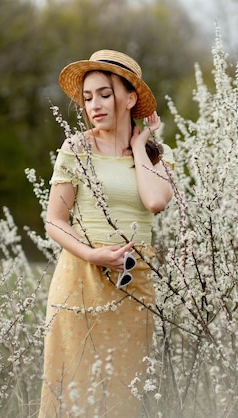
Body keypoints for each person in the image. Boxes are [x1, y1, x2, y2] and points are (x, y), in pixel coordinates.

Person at [39, 50, 174, 417]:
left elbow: (156, 201)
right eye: (87, 98)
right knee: (72, 390)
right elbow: (54, 220)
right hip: (80, 278)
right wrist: (92, 254)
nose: (93, 105)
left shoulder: (154, 156)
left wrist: (137, 146)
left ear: (129, 98)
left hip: (135, 282)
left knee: (124, 395)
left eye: (104, 94)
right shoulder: (76, 148)